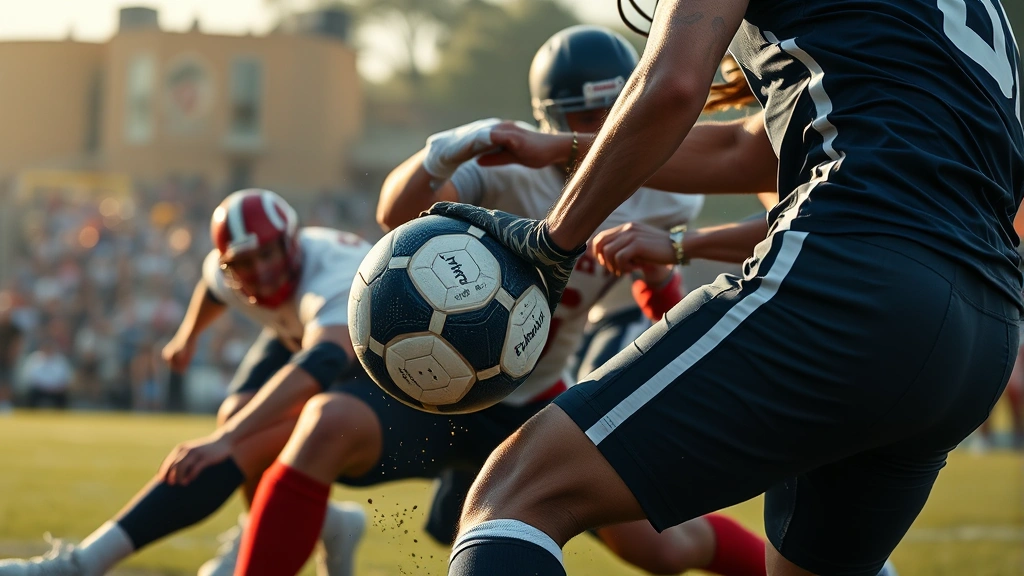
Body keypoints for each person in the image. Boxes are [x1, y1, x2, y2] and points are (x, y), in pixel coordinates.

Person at [423, 0, 1023, 575]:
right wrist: (561, 148)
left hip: (855, 282)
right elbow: (747, 149)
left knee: (516, 494)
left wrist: (553, 240)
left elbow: (672, 87)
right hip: (984, 327)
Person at [0, 189, 370, 576]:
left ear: (292, 243)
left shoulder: (332, 278)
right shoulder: (232, 272)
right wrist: (188, 336)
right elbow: (213, 285)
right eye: (245, 263)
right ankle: (323, 523)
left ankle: (81, 566)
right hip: (306, 337)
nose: (260, 271)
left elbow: (324, 360)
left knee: (243, 440)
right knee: (236, 413)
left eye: (267, 255)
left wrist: (226, 439)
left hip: (371, 366)